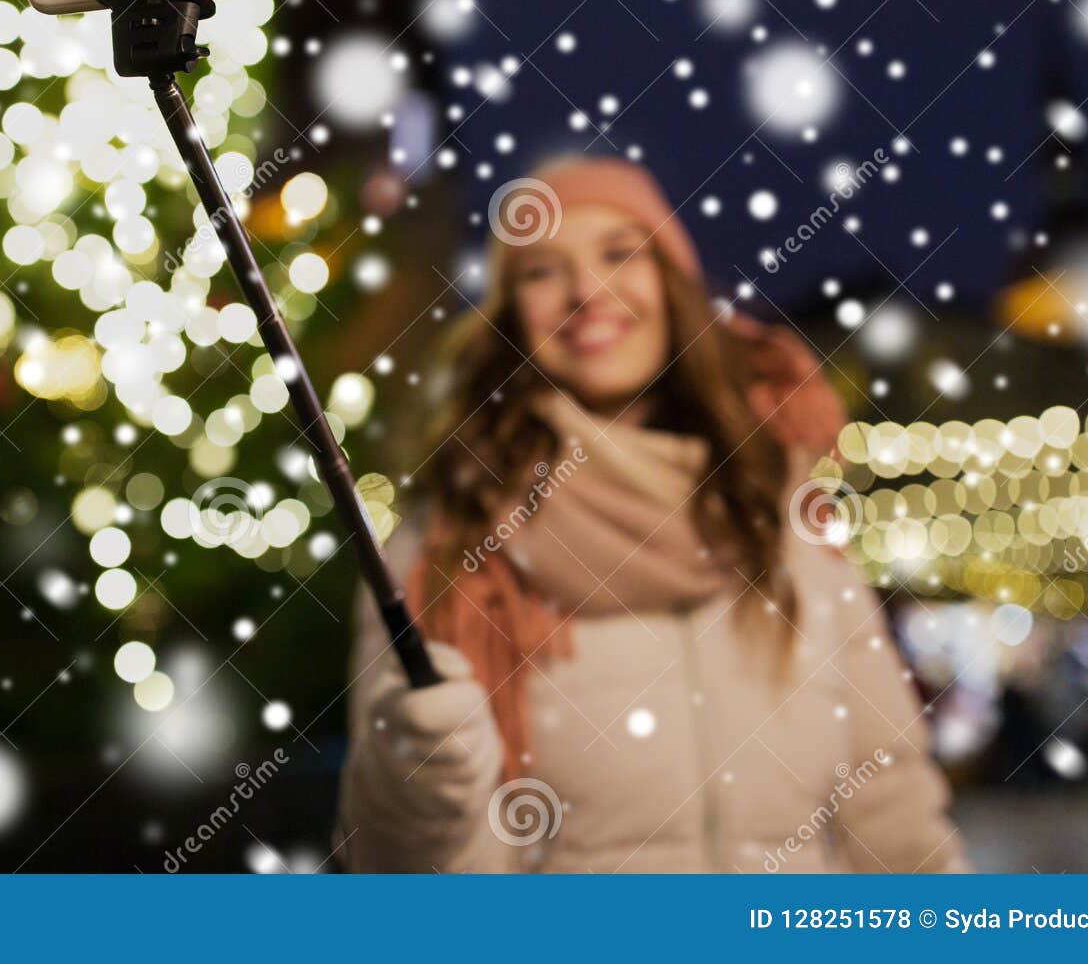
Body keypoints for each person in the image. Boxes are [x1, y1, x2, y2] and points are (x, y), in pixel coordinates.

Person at [337, 157, 968, 873]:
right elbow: (402, 876)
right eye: (542, 270)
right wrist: (416, 781)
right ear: (511, 311)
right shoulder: (452, 537)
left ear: (671, 282)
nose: (588, 291)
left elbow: (891, 804)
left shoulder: (778, 505)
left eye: (618, 253)